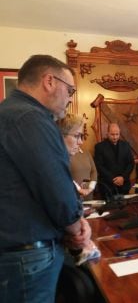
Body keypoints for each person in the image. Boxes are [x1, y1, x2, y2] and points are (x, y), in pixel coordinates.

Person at [0, 55, 91, 302]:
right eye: (70, 89)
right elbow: (55, 189)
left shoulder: (7, 113)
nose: (70, 97)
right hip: (26, 256)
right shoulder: (30, 118)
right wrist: (77, 229)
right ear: (49, 81)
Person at [56, 114, 100, 264]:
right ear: (59, 136)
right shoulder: (54, 164)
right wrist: (79, 229)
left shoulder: (81, 155)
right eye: (77, 136)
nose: (81, 142)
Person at [94, 122, 135, 200]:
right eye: (112, 134)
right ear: (107, 133)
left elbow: (131, 163)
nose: (115, 137)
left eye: (117, 134)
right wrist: (113, 179)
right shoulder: (99, 147)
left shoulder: (126, 145)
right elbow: (99, 166)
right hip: (107, 186)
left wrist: (123, 177)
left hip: (124, 185)